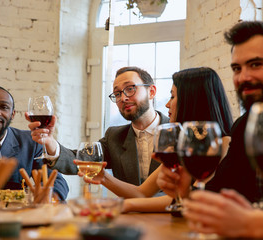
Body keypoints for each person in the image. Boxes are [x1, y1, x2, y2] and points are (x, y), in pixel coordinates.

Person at [157, 21, 263, 239]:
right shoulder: (245, 126)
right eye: (237, 68)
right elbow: (220, 194)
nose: (243, 77)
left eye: (255, 65)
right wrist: (185, 191)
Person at [76, 67, 233, 213]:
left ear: (192, 101)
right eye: (117, 94)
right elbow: (142, 193)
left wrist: (122, 204)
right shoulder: (184, 147)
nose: (166, 104)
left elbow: (196, 198)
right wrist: (103, 177)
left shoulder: (226, 145)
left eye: (172, 96)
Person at [26, 66, 169, 185]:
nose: (123, 98)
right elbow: (79, 161)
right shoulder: (115, 137)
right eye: (117, 93)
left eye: (130, 88)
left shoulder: (178, 131)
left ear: (151, 91)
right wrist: (50, 142)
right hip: (129, 215)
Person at [0, 86, 69, 201]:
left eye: (4, 107)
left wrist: (45, 194)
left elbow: (57, 182)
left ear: (12, 114)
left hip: (18, 214)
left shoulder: (31, 143)